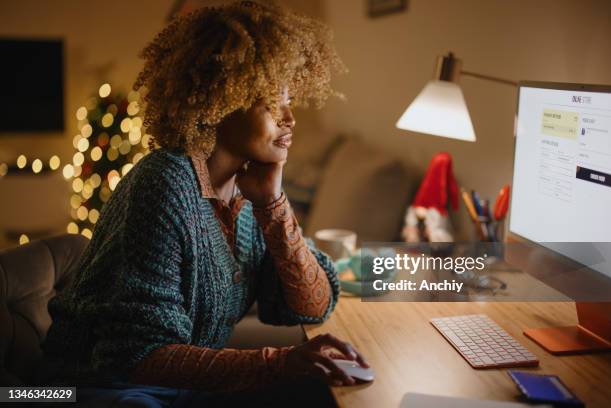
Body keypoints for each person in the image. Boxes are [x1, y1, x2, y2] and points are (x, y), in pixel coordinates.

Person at [38, 1, 368, 406]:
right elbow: (138, 355)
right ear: (220, 101)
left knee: (322, 393)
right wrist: (278, 363)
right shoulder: (166, 182)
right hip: (97, 389)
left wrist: (273, 205)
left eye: (290, 100)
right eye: (270, 102)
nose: (289, 118)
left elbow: (314, 305)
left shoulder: (248, 194)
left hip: (177, 388)